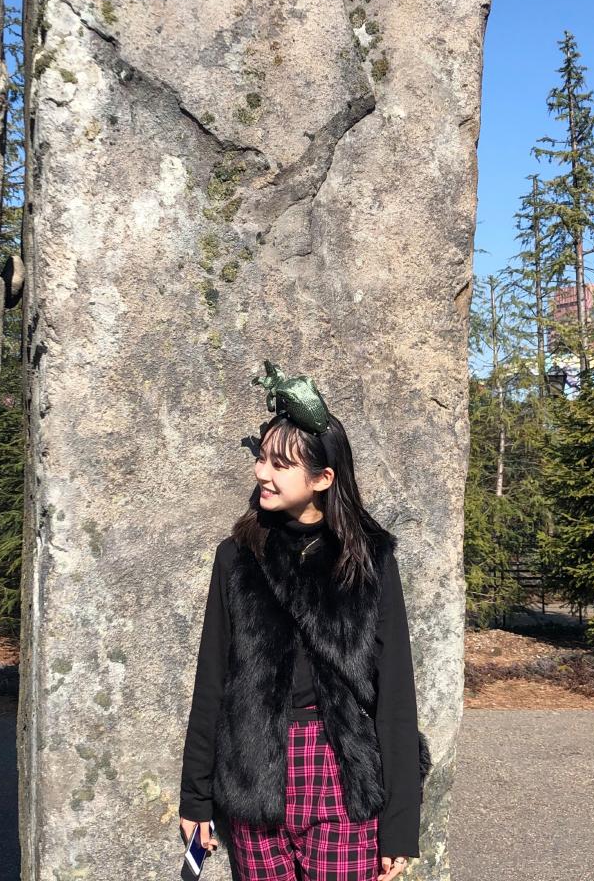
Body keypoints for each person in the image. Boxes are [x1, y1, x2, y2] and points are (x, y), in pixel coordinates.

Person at [178, 360, 431, 881]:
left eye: (280, 464)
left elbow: (395, 692)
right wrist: (195, 796)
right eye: (262, 458)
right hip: (254, 773)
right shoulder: (238, 557)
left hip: (343, 774)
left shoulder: (367, 561)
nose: (261, 473)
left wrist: (400, 824)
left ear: (322, 478)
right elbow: (212, 679)